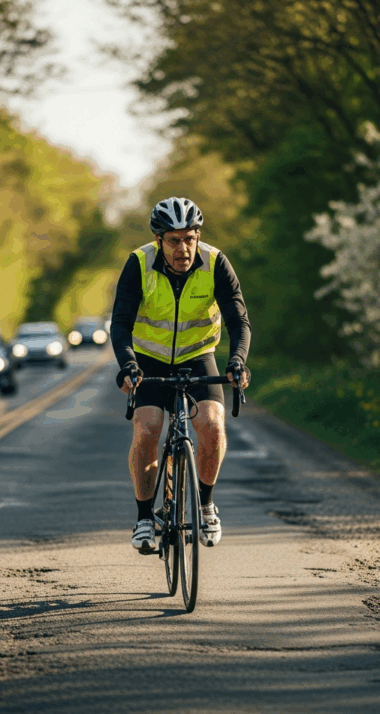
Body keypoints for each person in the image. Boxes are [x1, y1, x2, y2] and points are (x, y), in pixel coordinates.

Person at [111, 197, 251, 553]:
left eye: (190, 239)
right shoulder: (138, 264)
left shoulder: (216, 263)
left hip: (197, 355)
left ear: (198, 237)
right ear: (159, 240)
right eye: (174, 240)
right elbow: (122, 324)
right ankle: (145, 518)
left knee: (212, 423)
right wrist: (129, 365)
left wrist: (237, 361)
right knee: (147, 428)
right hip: (149, 359)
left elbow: (238, 319)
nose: (183, 248)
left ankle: (205, 504)